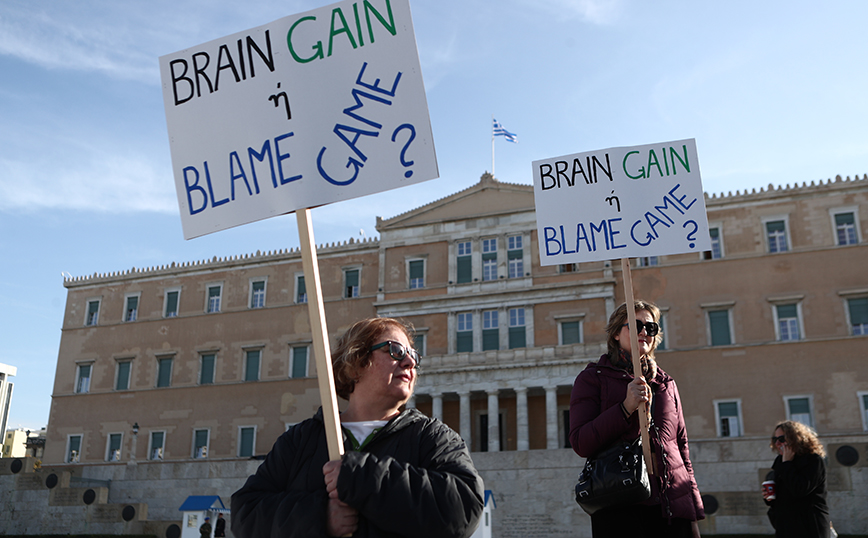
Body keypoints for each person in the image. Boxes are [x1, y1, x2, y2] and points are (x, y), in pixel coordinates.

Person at [231, 317, 484, 538]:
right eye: (395, 350)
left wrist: (362, 477)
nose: (410, 362)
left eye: (413, 356)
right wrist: (318, 516)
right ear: (357, 361)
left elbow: (463, 509)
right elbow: (245, 515)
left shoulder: (434, 438)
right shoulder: (301, 439)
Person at [570, 300, 704, 537]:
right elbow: (581, 442)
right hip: (620, 506)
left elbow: (682, 449)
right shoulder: (592, 378)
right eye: (635, 325)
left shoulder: (666, 384)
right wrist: (624, 408)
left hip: (671, 508)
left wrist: (693, 512)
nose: (644, 332)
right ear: (615, 334)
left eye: (650, 328)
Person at [763, 420, 830, 538]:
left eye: (782, 439)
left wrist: (787, 464)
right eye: (775, 439)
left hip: (809, 527)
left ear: (795, 439)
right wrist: (769, 497)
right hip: (785, 527)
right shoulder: (780, 462)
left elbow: (800, 489)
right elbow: (782, 496)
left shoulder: (813, 460)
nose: (777, 443)